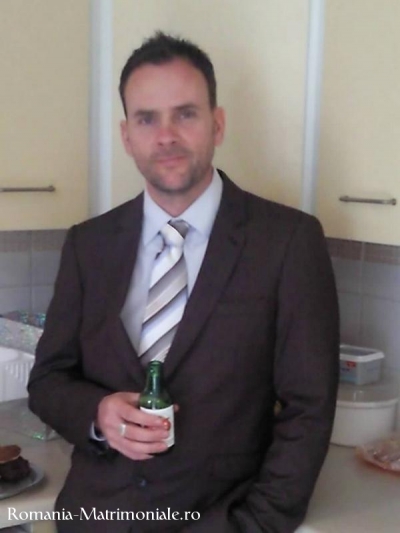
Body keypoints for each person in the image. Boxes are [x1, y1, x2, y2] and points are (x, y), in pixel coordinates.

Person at [28, 32, 339, 533]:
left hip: (218, 520)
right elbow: (48, 380)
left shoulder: (287, 242)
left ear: (217, 124)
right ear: (127, 136)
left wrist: (256, 525)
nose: (166, 136)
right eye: (147, 119)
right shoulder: (89, 245)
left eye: (185, 114)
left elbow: (310, 408)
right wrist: (98, 414)